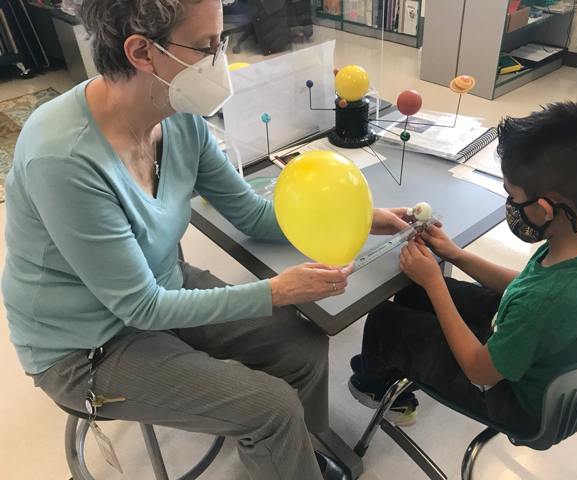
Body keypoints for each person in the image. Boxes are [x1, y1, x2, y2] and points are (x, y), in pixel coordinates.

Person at [1, 1, 415, 478]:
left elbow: (254, 214)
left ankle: (293, 452)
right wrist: (275, 292)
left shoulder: (179, 116)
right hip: (86, 346)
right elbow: (141, 310)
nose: (222, 61)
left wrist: (357, 218)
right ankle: (284, 448)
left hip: (161, 286)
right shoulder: (63, 159)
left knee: (303, 347)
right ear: (141, 52)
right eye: (207, 47)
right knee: (270, 407)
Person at [348, 102, 577, 429]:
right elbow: (527, 286)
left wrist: (435, 282)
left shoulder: (549, 300)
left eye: (512, 196)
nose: (509, 204)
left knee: (384, 320)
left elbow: (478, 370)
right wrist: (456, 255)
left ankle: (376, 388)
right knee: (413, 293)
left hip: (516, 401)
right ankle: (397, 363)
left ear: (544, 209)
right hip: (541, 355)